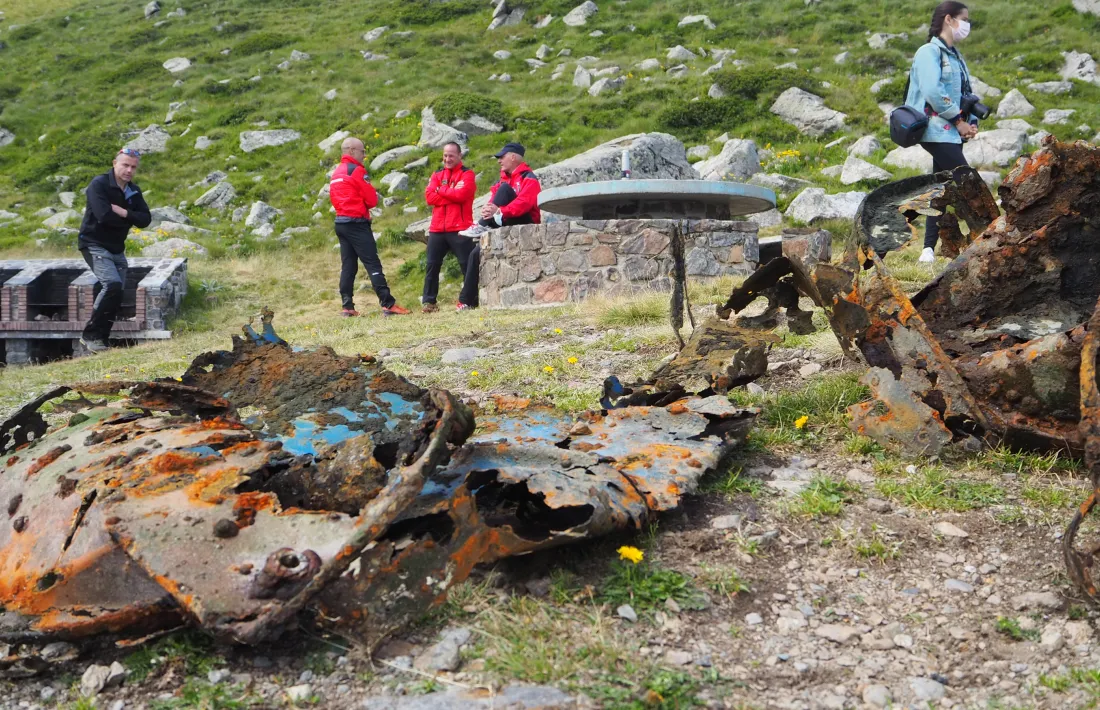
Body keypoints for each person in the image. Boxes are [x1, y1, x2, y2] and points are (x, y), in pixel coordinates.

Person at [906, 1, 978, 263]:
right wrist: (958, 120)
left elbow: (966, 95)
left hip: (951, 132)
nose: (967, 25)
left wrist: (970, 123)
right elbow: (933, 92)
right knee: (969, 184)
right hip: (935, 130)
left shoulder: (956, 56)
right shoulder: (928, 52)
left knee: (941, 186)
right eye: (964, 19)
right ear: (949, 19)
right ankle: (989, 234)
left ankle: (927, 249)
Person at [77, 147, 152, 353]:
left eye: (133, 167)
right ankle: (90, 336)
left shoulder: (133, 191)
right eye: (125, 165)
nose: (129, 170)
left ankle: (100, 340)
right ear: (114, 163)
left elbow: (145, 219)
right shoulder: (99, 184)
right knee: (111, 284)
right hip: (93, 243)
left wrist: (123, 212)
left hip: (117, 248)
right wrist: (130, 219)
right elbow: (104, 216)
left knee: (116, 293)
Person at [329, 137, 409, 316]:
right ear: (351, 151)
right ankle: (388, 304)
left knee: (348, 266)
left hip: (341, 222)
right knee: (372, 263)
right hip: (357, 223)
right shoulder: (356, 171)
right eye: (362, 151)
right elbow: (372, 200)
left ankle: (347, 306)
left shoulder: (336, 173)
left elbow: (334, 199)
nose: (364, 155)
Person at [456, 142, 541, 310]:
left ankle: (482, 226)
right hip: (506, 220)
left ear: (513, 157)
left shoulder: (528, 178)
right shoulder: (503, 180)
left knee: (504, 190)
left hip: (526, 224)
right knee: (476, 253)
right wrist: (493, 211)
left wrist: (500, 211)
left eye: (502, 157)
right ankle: (467, 301)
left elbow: (524, 203)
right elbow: (493, 203)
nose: (499, 161)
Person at [421, 142, 477, 313]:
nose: (447, 159)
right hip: (437, 228)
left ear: (460, 155)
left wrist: (440, 190)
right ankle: (429, 302)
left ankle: (471, 300)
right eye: (445, 155)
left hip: (460, 226)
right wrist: (450, 192)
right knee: (432, 265)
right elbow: (430, 198)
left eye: (451, 155)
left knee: (467, 264)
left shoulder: (467, 174)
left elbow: (462, 195)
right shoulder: (437, 174)